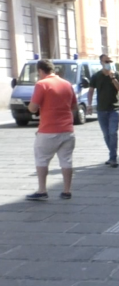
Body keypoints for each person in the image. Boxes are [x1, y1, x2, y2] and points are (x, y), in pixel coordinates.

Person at [26, 59, 78, 201]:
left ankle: (42, 190)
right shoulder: (67, 84)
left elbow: (33, 108)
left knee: (42, 159)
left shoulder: (42, 84)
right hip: (67, 130)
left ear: (40, 71)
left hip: (48, 130)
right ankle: (67, 191)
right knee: (66, 160)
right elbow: (74, 106)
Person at [88, 54, 119, 168]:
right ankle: (112, 155)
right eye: (106, 61)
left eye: (110, 61)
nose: (108, 63)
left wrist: (113, 78)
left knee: (113, 132)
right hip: (101, 109)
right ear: (101, 63)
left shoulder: (116, 74)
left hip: (114, 108)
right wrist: (89, 105)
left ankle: (113, 158)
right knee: (106, 134)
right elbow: (91, 90)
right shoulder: (96, 76)